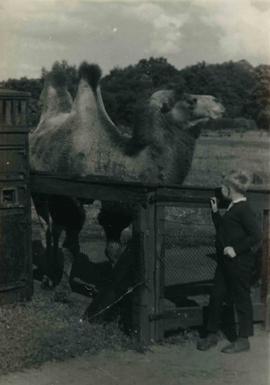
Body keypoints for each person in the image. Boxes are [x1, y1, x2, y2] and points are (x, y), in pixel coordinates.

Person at [197, 170, 262, 353]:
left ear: (231, 189)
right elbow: (223, 231)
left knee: (241, 298)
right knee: (216, 296)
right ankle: (212, 334)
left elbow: (257, 235)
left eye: (224, 186)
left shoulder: (243, 209)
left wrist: (236, 249)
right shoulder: (233, 208)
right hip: (225, 263)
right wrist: (215, 211)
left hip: (240, 264)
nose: (222, 189)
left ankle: (243, 339)